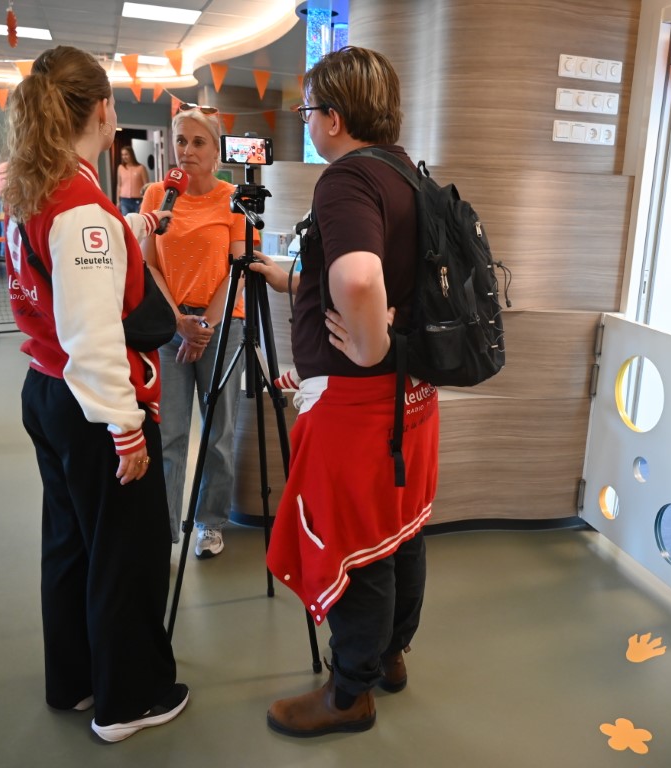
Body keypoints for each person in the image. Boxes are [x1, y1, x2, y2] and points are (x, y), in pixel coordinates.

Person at [248, 46, 438, 737]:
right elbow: (380, 274)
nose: (307, 123)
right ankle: (390, 656)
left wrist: (367, 345)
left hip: (358, 400)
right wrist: (296, 281)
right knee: (401, 527)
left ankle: (348, 692)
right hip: (410, 394)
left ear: (333, 117)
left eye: (308, 111)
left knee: (359, 541)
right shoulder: (407, 173)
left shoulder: (347, 179)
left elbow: (359, 279)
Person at [0, 45, 187, 744]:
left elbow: (63, 284)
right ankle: (129, 700)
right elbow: (94, 332)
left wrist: (127, 232)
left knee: (72, 545)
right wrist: (126, 428)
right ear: (104, 111)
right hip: (94, 405)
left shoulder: (36, 190)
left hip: (48, 388)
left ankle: (75, 679)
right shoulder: (80, 207)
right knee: (125, 553)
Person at [141, 105, 256, 559]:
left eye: (198, 142)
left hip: (222, 327)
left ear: (216, 151)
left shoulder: (234, 199)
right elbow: (149, 264)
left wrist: (204, 324)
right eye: (180, 141)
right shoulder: (158, 194)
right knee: (168, 434)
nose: (186, 151)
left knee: (218, 433)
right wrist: (178, 323)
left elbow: (238, 268)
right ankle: (165, 530)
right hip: (170, 328)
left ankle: (210, 522)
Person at [116, 146, 149, 215]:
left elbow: (146, 186)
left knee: (137, 220)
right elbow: (119, 185)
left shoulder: (141, 168)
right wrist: (118, 201)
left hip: (138, 201)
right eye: (122, 155)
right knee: (126, 220)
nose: (124, 157)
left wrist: (144, 201)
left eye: (126, 154)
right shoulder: (120, 168)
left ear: (131, 154)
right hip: (124, 201)